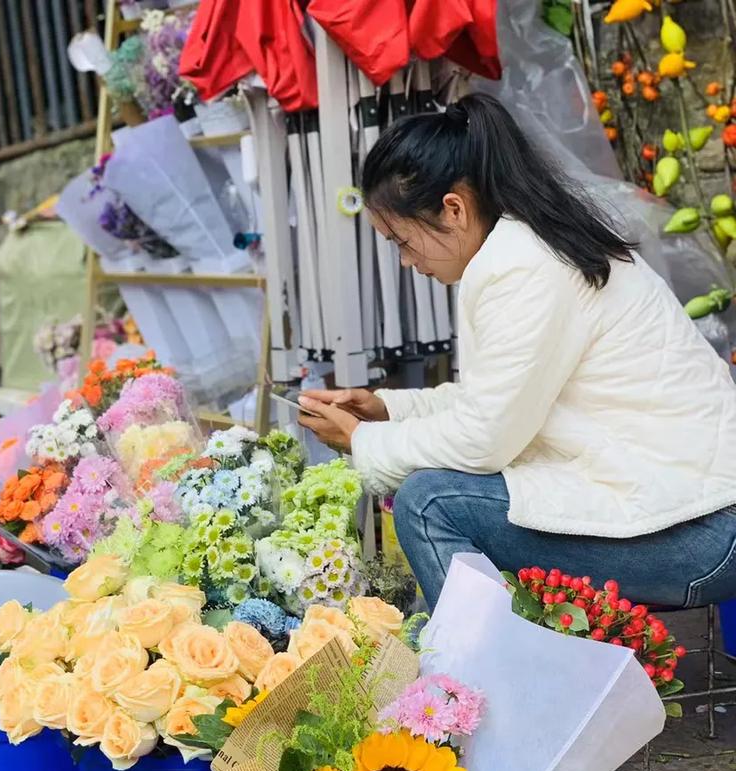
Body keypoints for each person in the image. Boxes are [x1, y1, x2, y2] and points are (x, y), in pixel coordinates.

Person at [297, 93, 736, 610]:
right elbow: (501, 401)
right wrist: (388, 408)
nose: (404, 261)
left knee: (429, 502)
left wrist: (364, 442)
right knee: (436, 488)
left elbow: (484, 440)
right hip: (690, 510)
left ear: (454, 209)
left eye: (401, 240)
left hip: (700, 532)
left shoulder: (522, 266)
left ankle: (483, 679)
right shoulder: (529, 245)